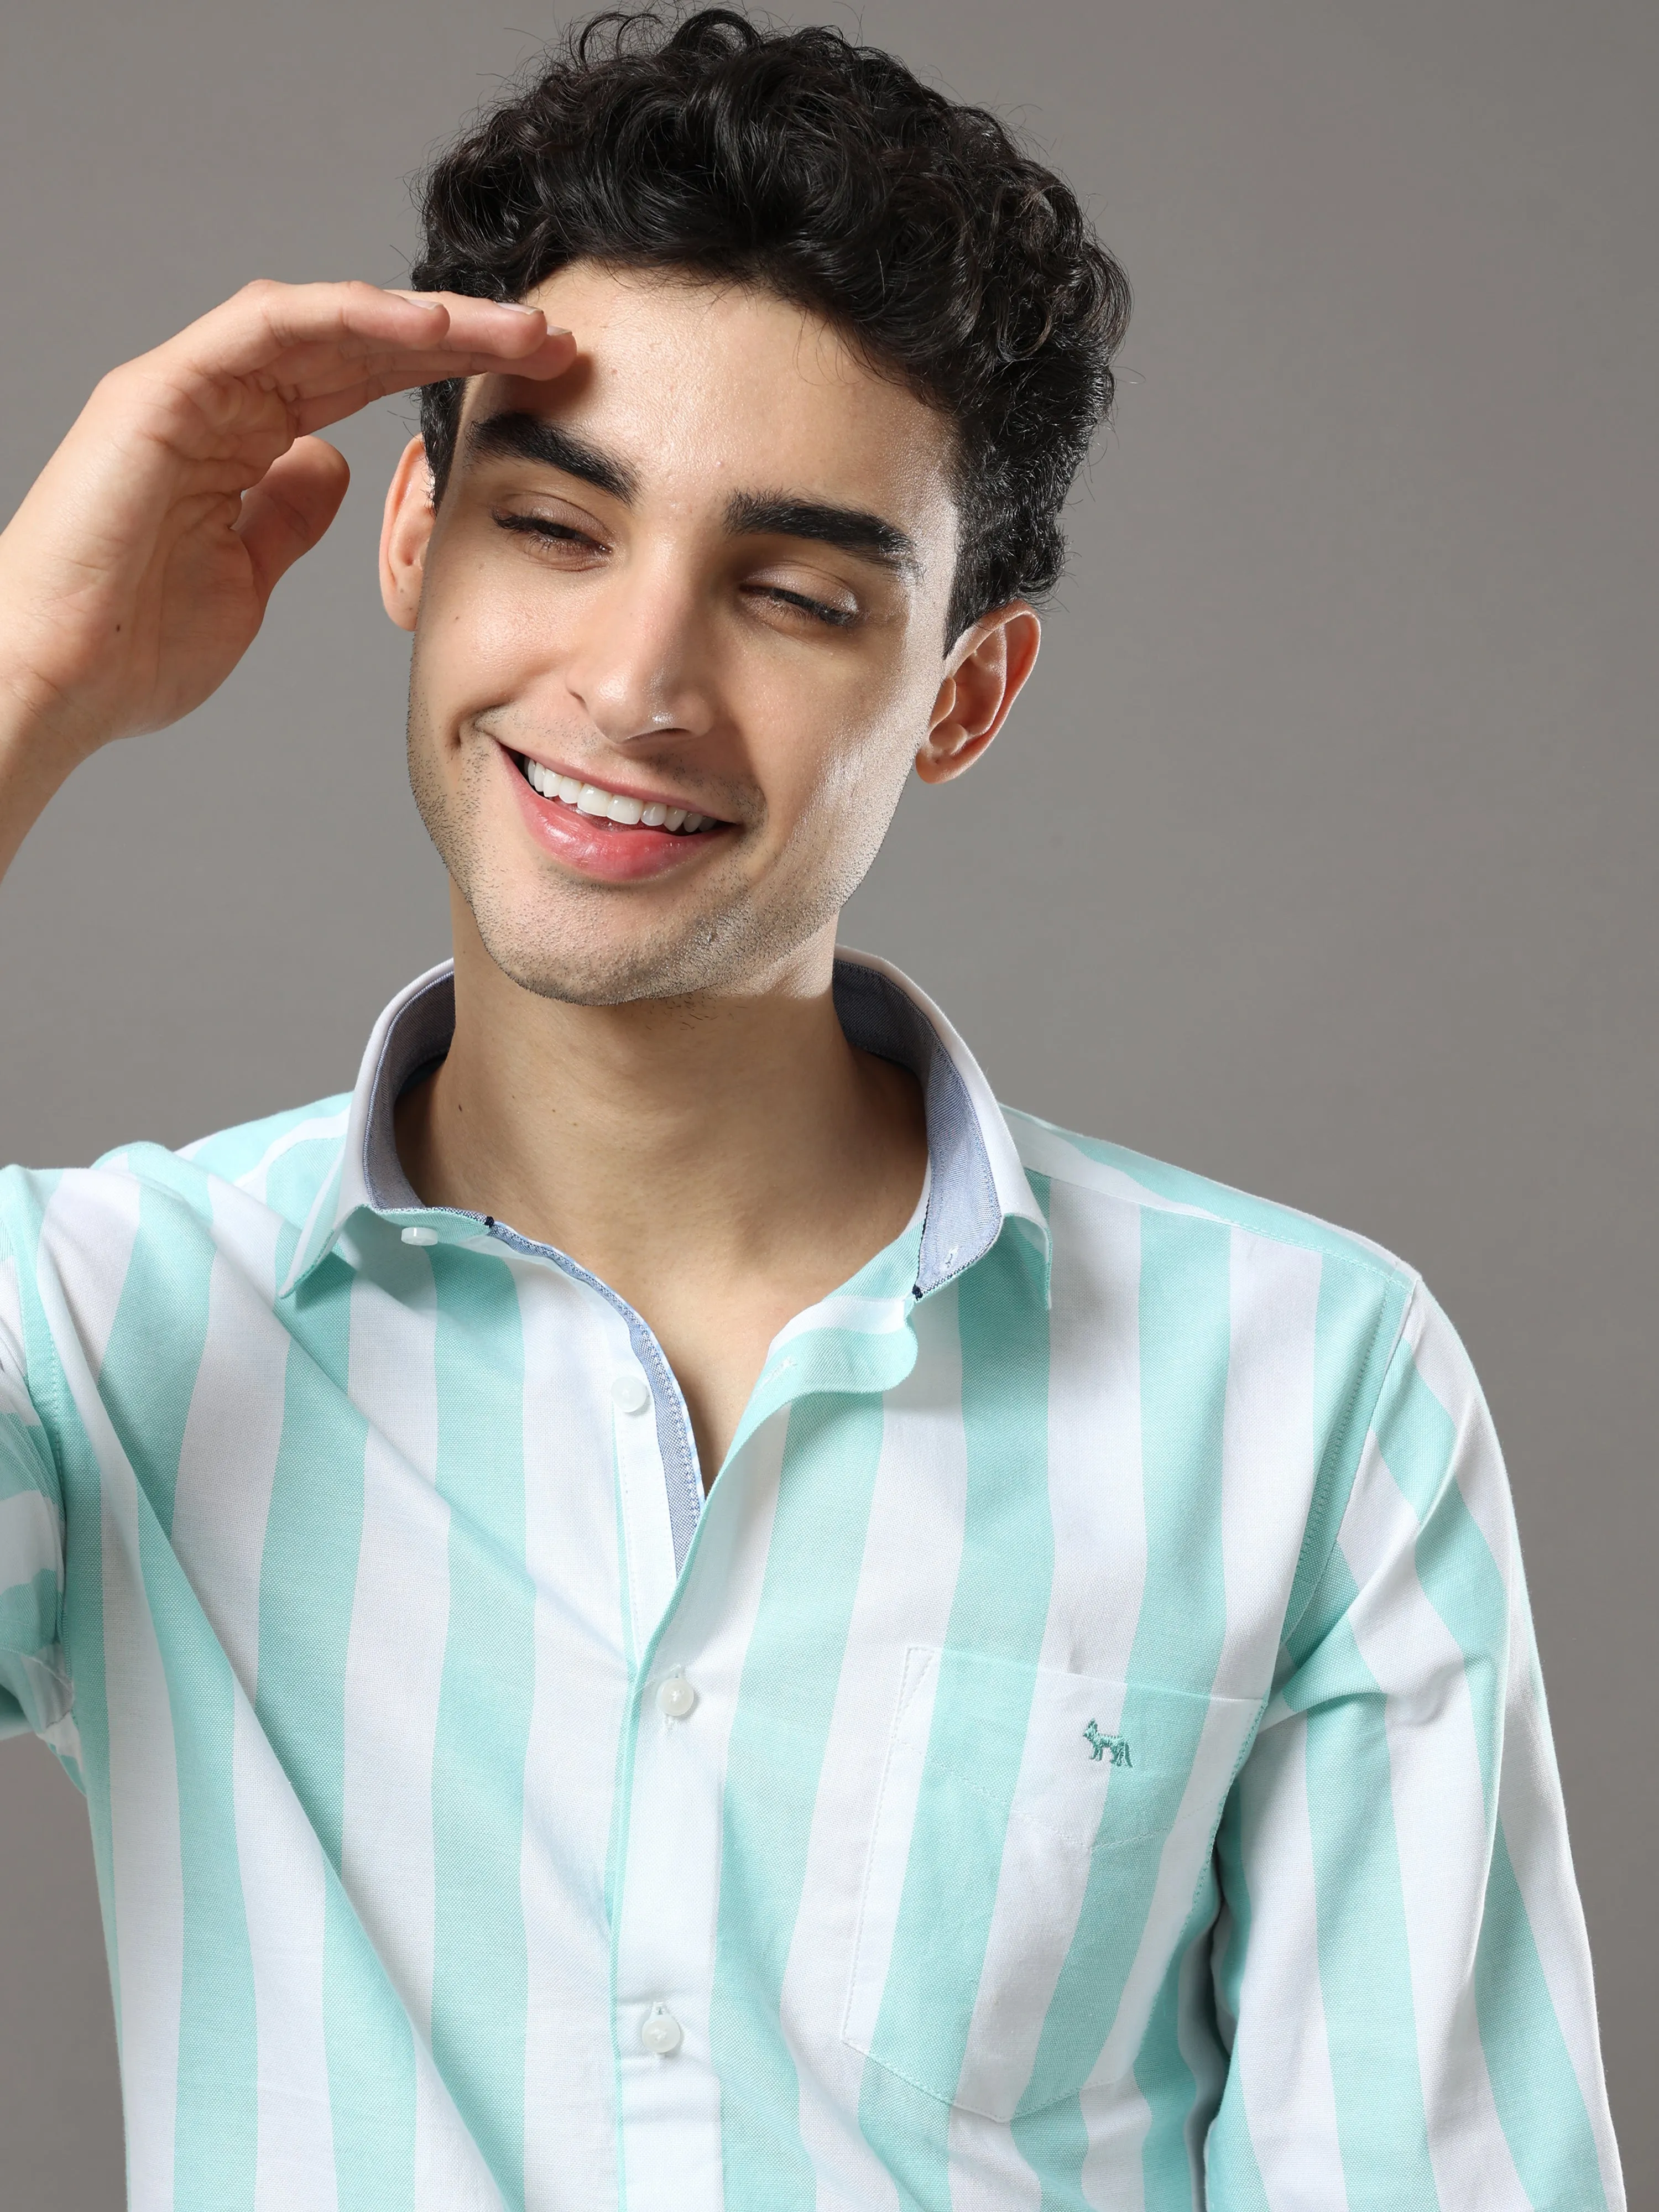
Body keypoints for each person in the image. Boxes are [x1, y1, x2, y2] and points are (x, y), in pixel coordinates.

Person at [0, 11, 1625, 2209]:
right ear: (412, 534)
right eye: (554, 526)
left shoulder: (1311, 1393)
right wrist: (20, 677)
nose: (637, 682)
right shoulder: (99, 1338)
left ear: (961, 693)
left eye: (789, 589)